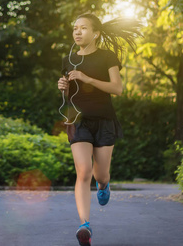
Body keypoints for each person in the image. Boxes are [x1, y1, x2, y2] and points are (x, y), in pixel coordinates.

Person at [57, 13, 142, 246]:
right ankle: (85, 226)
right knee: (83, 171)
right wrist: (63, 86)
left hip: (104, 120)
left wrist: (87, 77)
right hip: (78, 121)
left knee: (99, 175)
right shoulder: (69, 60)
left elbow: (117, 88)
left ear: (95, 33)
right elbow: (71, 94)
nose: (77, 32)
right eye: (75, 28)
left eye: (83, 28)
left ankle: (103, 185)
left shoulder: (107, 57)